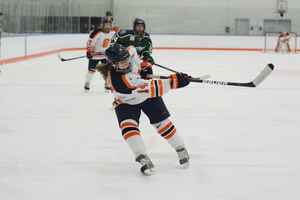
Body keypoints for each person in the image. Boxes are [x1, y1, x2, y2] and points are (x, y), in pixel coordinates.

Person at [96, 44, 190, 175]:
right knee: (128, 128)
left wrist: (145, 64)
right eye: (122, 63)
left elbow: (133, 51)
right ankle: (142, 158)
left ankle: (180, 149)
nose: (126, 63)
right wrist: (175, 81)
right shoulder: (120, 81)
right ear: (113, 65)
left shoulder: (129, 54)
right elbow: (152, 87)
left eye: (126, 60)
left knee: (162, 124)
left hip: (146, 97)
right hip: (126, 102)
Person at [84, 18, 116, 92]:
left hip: (106, 55)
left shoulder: (113, 33)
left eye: (109, 25)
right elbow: (90, 42)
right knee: (91, 71)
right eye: (106, 25)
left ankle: (107, 83)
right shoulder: (95, 32)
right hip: (95, 55)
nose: (108, 26)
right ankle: (87, 83)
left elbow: (115, 43)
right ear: (103, 25)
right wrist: (89, 50)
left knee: (108, 70)